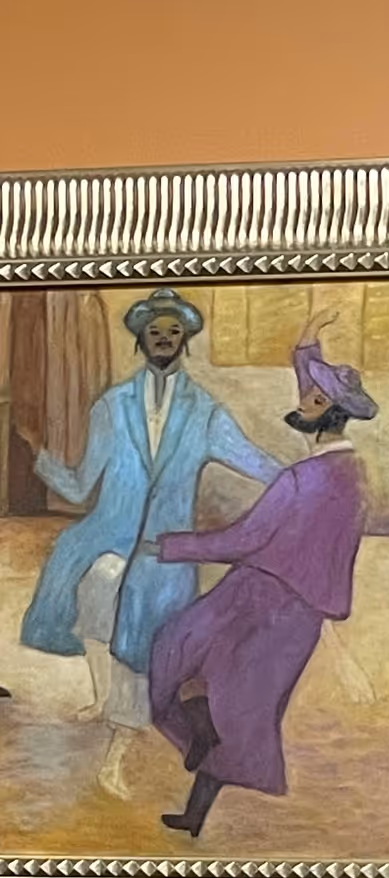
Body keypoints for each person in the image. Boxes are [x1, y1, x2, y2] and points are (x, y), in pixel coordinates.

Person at [18, 290, 283, 799]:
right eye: (156, 332)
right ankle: (102, 699)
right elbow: (79, 485)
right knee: (94, 596)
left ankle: (116, 754)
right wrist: (41, 457)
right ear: (141, 338)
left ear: (183, 341)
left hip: (165, 554)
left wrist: (303, 483)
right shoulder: (112, 406)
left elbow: (254, 461)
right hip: (108, 538)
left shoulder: (204, 412)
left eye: (173, 332)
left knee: (141, 647)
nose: (164, 339)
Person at [147, 334, 375, 838]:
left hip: (260, 603)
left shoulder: (300, 481)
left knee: (191, 671)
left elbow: (243, 538)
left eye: (309, 399)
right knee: (226, 698)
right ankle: (199, 749)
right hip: (293, 612)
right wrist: (307, 346)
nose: (299, 404)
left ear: (325, 410)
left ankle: (197, 787)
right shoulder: (355, 474)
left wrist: (170, 546)